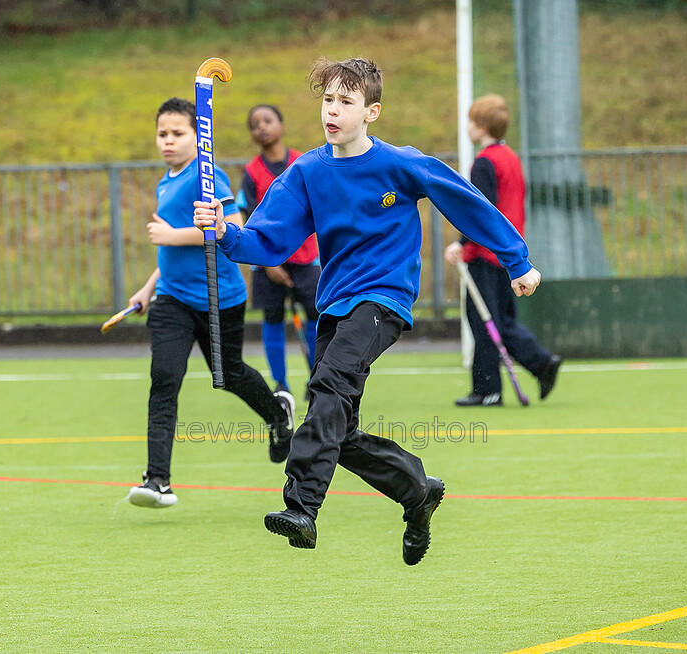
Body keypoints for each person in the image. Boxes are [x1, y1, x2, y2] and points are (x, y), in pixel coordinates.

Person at [194, 58, 542, 565]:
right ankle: (416, 491)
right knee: (338, 427)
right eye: (327, 100)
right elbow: (267, 241)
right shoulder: (307, 172)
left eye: (345, 102)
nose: (332, 111)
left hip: (384, 299)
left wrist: (516, 260)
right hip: (335, 303)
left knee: (329, 385)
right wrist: (225, 231)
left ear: (371, 111)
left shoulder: (400, 164)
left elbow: (466, 201)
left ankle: (303, 506)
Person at [125, 97, 296, 510]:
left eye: (178, 133)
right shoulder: (166, 181)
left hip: (221, 298)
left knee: (230, 375)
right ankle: (157, 480)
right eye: (162, 133)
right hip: (172, 299)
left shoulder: (208, 177)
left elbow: (231, 227)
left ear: (196, 137)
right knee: (165, 377)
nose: (168, 141)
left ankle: (278, 415)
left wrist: (172, 236)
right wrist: (149, 287)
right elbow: (170, 253)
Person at [444, 94, 562, 407]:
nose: (467, 126)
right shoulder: (510, 156)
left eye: (471, 121)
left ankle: (488, 390)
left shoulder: (484, 162)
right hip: (508, 256)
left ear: (481, 127)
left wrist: (461, 244)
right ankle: (542, 362)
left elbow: (482, 211)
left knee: (482, 321)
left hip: (486, 255)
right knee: (503, 322)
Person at [238, 104, 320, 394]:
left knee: (314, 318)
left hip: (305, 259)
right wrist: (269, 264)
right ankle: (280, 385)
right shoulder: (251, 173)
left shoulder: (303, 163)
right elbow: (248, 219)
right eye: (254, 123)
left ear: (282, 126)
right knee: (272, 318)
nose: (261, 127)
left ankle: (317, 379)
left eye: (268, 120)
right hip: (267, 264)